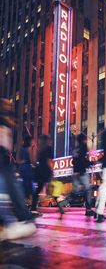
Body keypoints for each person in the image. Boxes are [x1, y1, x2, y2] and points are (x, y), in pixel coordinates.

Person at [0, 98, 36, 240]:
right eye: (6, 104)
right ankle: (13, 220)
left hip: (12, 162)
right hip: (5, 158)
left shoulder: (6, 120)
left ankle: (19, 216)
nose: (9, 106)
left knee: (12, 187)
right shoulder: (3, 120)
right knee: (11, 186)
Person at [72, 133, 95, 216]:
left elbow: (73, 161)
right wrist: (91, 163)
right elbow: (83, 160)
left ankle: (63, 202)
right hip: (82, 172)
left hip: (75, 172)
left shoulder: (75, 149)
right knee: (88, 190)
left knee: (75, 192)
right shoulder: (83, 147)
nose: (86, 141)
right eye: (85, 139)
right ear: (83, 140)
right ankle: (88, 210)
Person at [31, 135, 53, 214]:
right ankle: (61, 208)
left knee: (38, 189)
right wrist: (52, 170)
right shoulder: (48, 148)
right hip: (46, 171)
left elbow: (35, 161)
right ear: (47, 140)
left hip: (40, 171)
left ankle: (33, 207)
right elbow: (49, 160)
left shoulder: (40, 150)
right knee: (52, 189)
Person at [18, 136, 37, 203]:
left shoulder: (22, 149)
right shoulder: (30, 148)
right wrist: (37, 166)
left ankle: (24, 200)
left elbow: (18, 161)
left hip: (21, 168)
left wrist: (24, 161)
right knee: (29, 185)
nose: (34, 142)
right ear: (30, 141)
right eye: (33, 140)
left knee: (25, 184)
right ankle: (29, 201)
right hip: (27, 168)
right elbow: (32, 161)